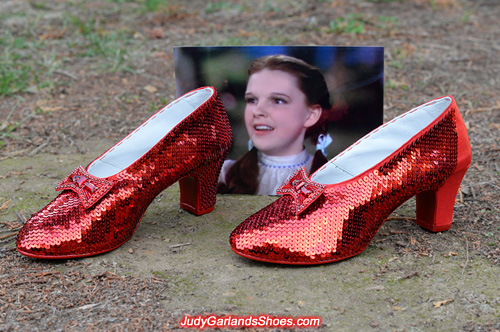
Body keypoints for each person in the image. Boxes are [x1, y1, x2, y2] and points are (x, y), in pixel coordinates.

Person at [218, 54, 332, 195]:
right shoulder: (224, 175)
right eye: (252, 100)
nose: (258, 111)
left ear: (311, 115)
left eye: (278, 100)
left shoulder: (331, 180)